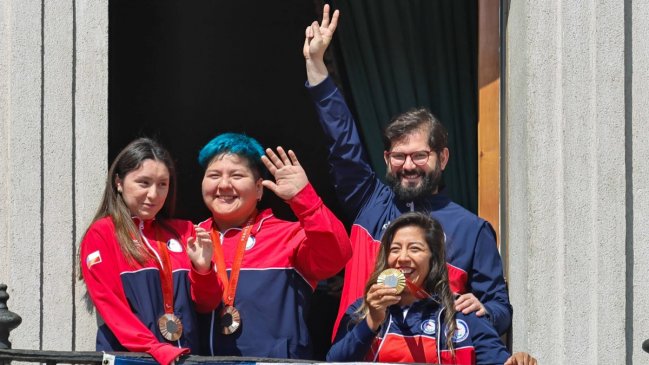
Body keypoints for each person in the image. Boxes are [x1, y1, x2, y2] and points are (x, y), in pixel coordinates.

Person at [303, 5, 513, 337]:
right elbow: (343, 144)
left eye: (419, 155)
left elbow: (500, 310)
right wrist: (316, 68)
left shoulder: (473, 230)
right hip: (358, 356)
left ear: (442, 159)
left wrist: (484, 309)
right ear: (386, 159)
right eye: (399, 156)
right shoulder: (369, 201)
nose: (409, 165)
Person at [195, 133, 352, 359]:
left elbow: (337, 254)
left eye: (237, 175)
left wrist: (304, 198)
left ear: (259, 188)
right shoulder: (188, 239)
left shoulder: (289, 236)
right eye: (214, 175)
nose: (224, 184)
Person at [80, 138, 221, 365]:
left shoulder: (184, 231)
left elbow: (207, 304)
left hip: (183, 357)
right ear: (119, 182)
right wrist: (155, 348)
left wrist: (203, 270)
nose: (154, 195)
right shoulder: (103, 233)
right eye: (143, 183)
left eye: (162, 184)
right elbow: (112, 307)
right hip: (132, 359)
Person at [328, 212, 536, 365]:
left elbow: (498, 361)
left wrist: (518, 360)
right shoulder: (362, 310)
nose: (402, 258)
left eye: (415, 249)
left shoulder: (461, 313)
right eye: (395, 249)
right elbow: (333, 362)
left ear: (433, 259)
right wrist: (372, 321)